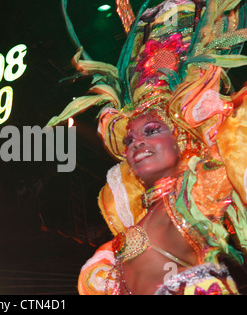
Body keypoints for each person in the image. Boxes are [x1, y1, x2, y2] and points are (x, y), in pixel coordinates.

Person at [48, 0, 247, 295]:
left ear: (180, 136)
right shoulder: (128, 229)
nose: (136, 141)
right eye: (129, 139)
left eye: (152, 130)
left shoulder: (199, 189)